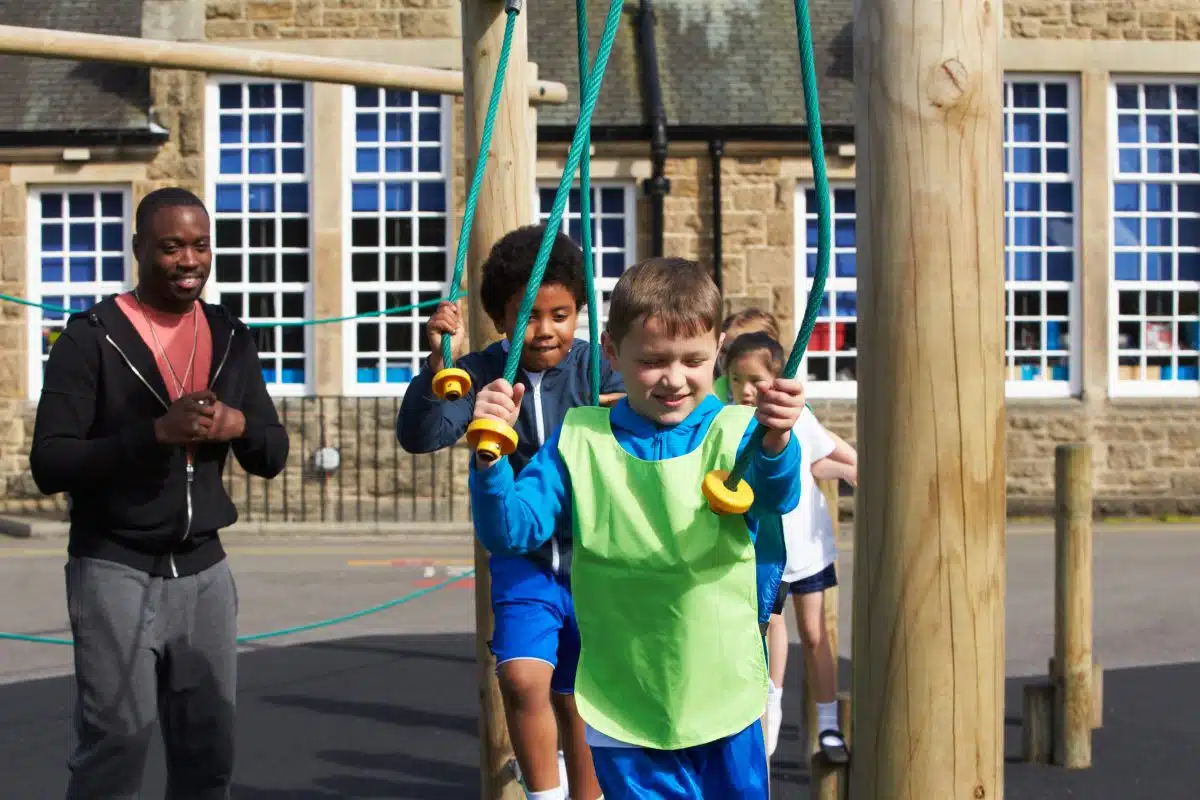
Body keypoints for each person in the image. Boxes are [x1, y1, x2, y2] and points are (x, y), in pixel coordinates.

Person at [469, 257, 806, 799]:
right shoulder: (580, 437)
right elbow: (511, 532)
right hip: (626, 693)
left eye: (693, 360)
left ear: (717, 350)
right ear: (610, 351)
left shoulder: (741, 430)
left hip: (723, 690)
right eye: (651, 361)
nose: (673, 379)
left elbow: (775, 496)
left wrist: (776, 444)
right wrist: (491, 461)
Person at [28, 187, 289, 798]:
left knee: (209, 754)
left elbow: (272, 454)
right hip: (113, 566)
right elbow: (50, 461)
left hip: (205, 572)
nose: (189, 260)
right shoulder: (90, 336)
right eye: (171, 247)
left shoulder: (230, 336)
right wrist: (155, 434)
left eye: (200, 245)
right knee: (118, 741)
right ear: (139, 248)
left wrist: (239, 425)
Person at [398, 224, 623, 800]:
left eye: (561, 314)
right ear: (501, 320)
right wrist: (435, 365)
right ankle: (544, 795)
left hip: (595, 556)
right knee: (523, 678)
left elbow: (656, 413)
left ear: (579, 313)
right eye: (528, 317)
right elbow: (424, 434)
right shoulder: (479, 372)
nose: (545, 330)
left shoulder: (601, 370)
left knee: (579, 698)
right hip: (523, 557)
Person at [723, 330, 857, 763]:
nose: (745, 389)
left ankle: (829, 725)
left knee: (816, 636)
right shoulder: (727, 421)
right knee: (762, 635)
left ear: (777, 379)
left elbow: (820, 456)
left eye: (755, 379)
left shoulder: (796, 416)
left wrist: (860, 469)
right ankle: (769, 713)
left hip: (806, 549)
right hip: (765, 554)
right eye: (736, 378)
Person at [712, 308, 781, 402]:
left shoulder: (785, 386)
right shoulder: (718, 388)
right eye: (724, 351)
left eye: (740, 350)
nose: (728, 358)